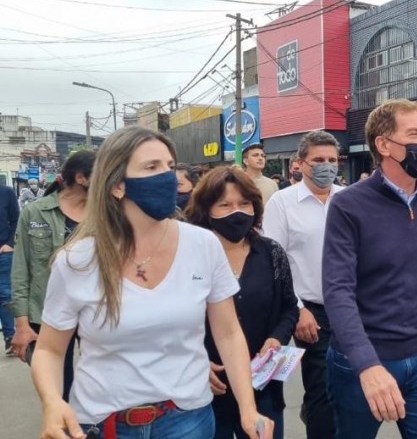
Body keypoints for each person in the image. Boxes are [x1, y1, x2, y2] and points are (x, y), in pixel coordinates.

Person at [29, 127, 273, 439]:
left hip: (188, 420)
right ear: (117, 185)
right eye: (151, 167)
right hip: (103, 423)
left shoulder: (203, 245)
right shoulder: (78, 260)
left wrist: (247, 407)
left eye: (170, 167)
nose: (167, 177)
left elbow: (227, 333)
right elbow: (49, 350)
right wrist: (52, 402)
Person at [322, 99, 417, 438]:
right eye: (414, 134)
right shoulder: (348, 204)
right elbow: (337, 290)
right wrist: (366, 365)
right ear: (383, 144)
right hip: (361, 359)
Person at [186, 166, 299, 439]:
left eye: (244, 203)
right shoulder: (188, 255)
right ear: (206, 209)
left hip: (262, 387)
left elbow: (289, 307)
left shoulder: (271, 253)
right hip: (207, 389)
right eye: (224, 205)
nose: (236, 212)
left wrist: (277, 338)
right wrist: (194, 360)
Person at [263, 131, 344, 439]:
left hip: (350, 307)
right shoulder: (282, 203)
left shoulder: (347, 199)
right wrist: (297, 310)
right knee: (322, 385)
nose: (327, 166)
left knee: (349, 384)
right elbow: (275, 262)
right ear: (299, 163)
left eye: (332, 160)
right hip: (312, 311)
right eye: (318, 160)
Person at [9, 151, 94, 399]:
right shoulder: (35, 212)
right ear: (81, 178)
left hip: (95, 310)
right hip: (48, 312)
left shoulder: (106, 213)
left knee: (99, 380)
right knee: (58, 385)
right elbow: (21, 270)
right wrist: (22, 325)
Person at [0, 182, 19, 356]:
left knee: (5, 293)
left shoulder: (6, 192)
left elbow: (16, 219)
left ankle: (10, 336)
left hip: (3, 252)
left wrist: (10, 243)